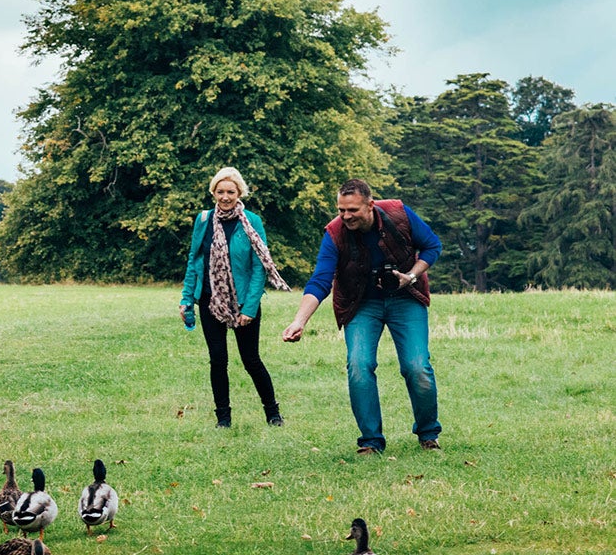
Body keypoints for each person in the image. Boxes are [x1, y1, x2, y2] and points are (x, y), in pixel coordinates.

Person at [281, 179, 443, 455]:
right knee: (359, 365)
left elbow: (432, 246)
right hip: (361, 303)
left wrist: (411, 276)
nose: (346, 216)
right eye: (341, 210)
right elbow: (320, 280)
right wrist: (299, 321)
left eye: (352, 210)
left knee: (417, 366)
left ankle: (428, 434)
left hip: (405, 297)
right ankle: (370, 441)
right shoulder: (334, 233)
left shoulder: (399, 214)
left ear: (370, 205)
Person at [179, 167, 290, 429]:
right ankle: (223, 419)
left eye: (230, 191)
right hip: (211, 300)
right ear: (213, 193)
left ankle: (273, 414)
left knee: (251, 360)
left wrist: (249, 308)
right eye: (220, 191)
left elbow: (259, 267)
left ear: (239, 192)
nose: (225, 197)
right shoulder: (203, 220)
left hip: (243, 302)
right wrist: (186, 299)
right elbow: (194, 260)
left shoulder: (252, 221)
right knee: (218, 360)